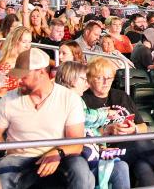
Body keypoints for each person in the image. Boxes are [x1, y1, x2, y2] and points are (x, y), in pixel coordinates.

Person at [0, 47, 94, 189]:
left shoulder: (69, 98)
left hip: (59, 156)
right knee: (1, 172)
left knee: (79, 169)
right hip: (19, 157)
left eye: (24, 77)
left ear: (41, 73)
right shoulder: (9, 99)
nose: (18, 81)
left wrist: (57, 153)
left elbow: (76, 143)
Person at [83, 56, 154, 186]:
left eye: (109, 78)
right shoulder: (84, 100)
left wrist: (134, 129)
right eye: (100, 78)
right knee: (140, 144)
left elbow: (142, 127)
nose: (106, 82)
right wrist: (107, 130)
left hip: (130, 147)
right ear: (90, 79)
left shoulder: (121, 96)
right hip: (104, 151)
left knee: (143, 164)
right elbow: (83, 134)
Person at [54, 61, 131, 189]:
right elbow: (85, 118)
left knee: (121, 166)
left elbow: (89, 130)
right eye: (84, 79)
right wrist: (105, 114)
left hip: (88, 153)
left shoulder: (78, 99)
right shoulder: (64, 98)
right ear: (72, 80)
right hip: (71, 156)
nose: (87, 83)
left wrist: (100, 148)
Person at [0, 26, 32, 95]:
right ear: (15, 42)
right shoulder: (4, 66)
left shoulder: (29, 61)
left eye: (29, 42)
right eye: (24, 42)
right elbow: (1, 93)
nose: (28, 46)